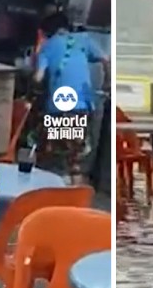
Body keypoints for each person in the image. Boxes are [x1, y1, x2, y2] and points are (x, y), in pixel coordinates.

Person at [34, 12, 109, 182]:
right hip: (82, 107)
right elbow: (106, 59)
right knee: (75, 161)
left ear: (47, 32)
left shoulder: (48, 46)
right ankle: (75, 199)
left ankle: (51, 198)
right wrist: (107, 82)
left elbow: (38, 78)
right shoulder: (84, 39)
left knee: (52, 161)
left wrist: (39, 52)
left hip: (57, 109)